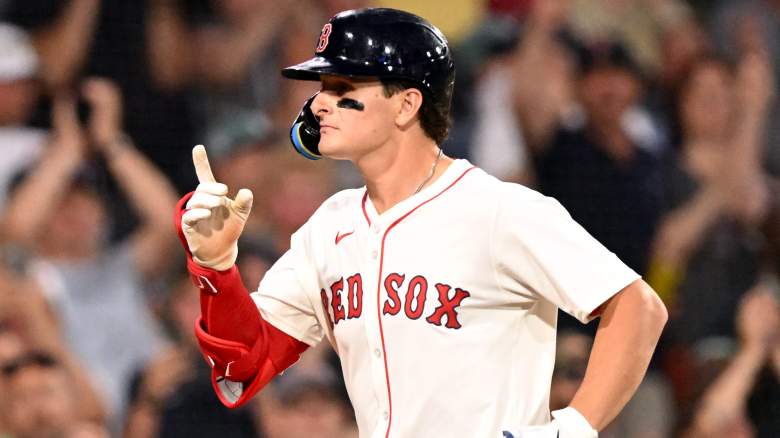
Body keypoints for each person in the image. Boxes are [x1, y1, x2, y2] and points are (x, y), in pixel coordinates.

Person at [175, 8, 667, 438]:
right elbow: (245, 364)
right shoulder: (329, 226)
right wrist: (216, 267)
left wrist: (576, 425)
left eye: (343, 88)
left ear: (406, 104)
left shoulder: (497, 210)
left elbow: (638, 306)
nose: (319, 103)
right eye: (323, 88)